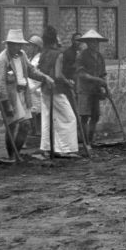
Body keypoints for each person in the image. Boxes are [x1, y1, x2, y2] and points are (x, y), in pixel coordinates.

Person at [0, 29, 53, 159]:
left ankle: (16, 153)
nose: (18, 47)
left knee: (25, 126)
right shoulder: (2, 59)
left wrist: (45, 77)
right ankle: (12, 155)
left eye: (20, 44)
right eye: (16, 44)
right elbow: (0, 83)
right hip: (10, 96)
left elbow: (31, 71)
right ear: (9, 44)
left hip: (23, 93)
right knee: (12, 126)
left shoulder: (22, 55)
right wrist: (6, 103)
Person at [37, 26, 80, 158]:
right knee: (69, 118)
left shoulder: (43, 53)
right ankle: (66, 149)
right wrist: (68, 82)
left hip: (45, 88)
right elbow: (58, 75)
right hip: (56, 89)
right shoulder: (58, 54)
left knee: (47, 119)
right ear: (55, 39)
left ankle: (47, 147)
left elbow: (40, 70)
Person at [75, 29, 108, 146]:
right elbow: (81, 74)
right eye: (91, 42)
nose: (94, 44)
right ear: (87, 43)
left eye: (96, 42)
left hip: (96, 90)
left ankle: (90, 139)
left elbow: (103, 74)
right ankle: (85, 142)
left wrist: (105, 87)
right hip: (84, 90)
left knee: (95, 116)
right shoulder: (81, 56)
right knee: (84, 116)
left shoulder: (99, 56)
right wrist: (97, 79)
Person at [61, 32, 82, 109]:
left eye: (80, 40)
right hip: (71, 82)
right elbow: (64, 69)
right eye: (77, 40)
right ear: (72, 41)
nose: (79, 42)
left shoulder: (83, 52)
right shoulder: (67, 53)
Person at [27, 35, 43, 132]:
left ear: (37, 47)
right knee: (31, 111)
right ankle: (33, 131)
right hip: (30, 89)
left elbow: (42, 75)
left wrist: (36, 87)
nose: (29, 47)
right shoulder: (29, 58)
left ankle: (38, 132)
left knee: (38, 112)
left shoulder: (40, 59)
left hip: (37, 89)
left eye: (31, 45)